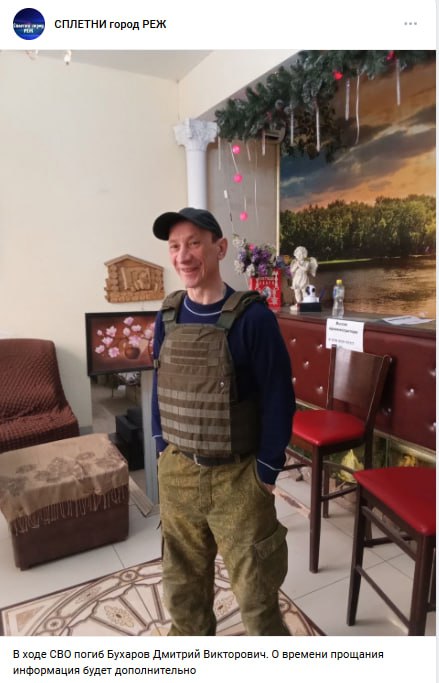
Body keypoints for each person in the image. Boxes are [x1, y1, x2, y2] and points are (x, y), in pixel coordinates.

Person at [151, 206, 296, 636]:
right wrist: (160, 448)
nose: (183, 256)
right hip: (178, 473)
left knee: (257, 598)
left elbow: (279, 397)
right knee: (183, 593)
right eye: (174, 246)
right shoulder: (167, 316)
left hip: (238, 480)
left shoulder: (253, 318)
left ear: (219, 248)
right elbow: (160, 383)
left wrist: (266, 472)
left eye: (194, 243)